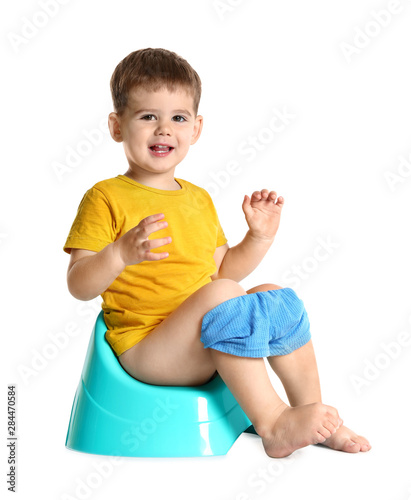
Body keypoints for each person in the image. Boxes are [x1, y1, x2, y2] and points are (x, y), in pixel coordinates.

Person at [64, 48, 371, 458]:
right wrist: (119, 253)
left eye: (178, 117)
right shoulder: (105, 197)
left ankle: (309, 413)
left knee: (271, 293)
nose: (163, 130)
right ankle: (272, 423)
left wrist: (258, 238)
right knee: (224, 295)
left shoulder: (199, 199)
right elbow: (78, 284)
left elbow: (223, 270)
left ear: (196, 128)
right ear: (117, 126)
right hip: (149, 351)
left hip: (208, 338)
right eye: (147, 116)